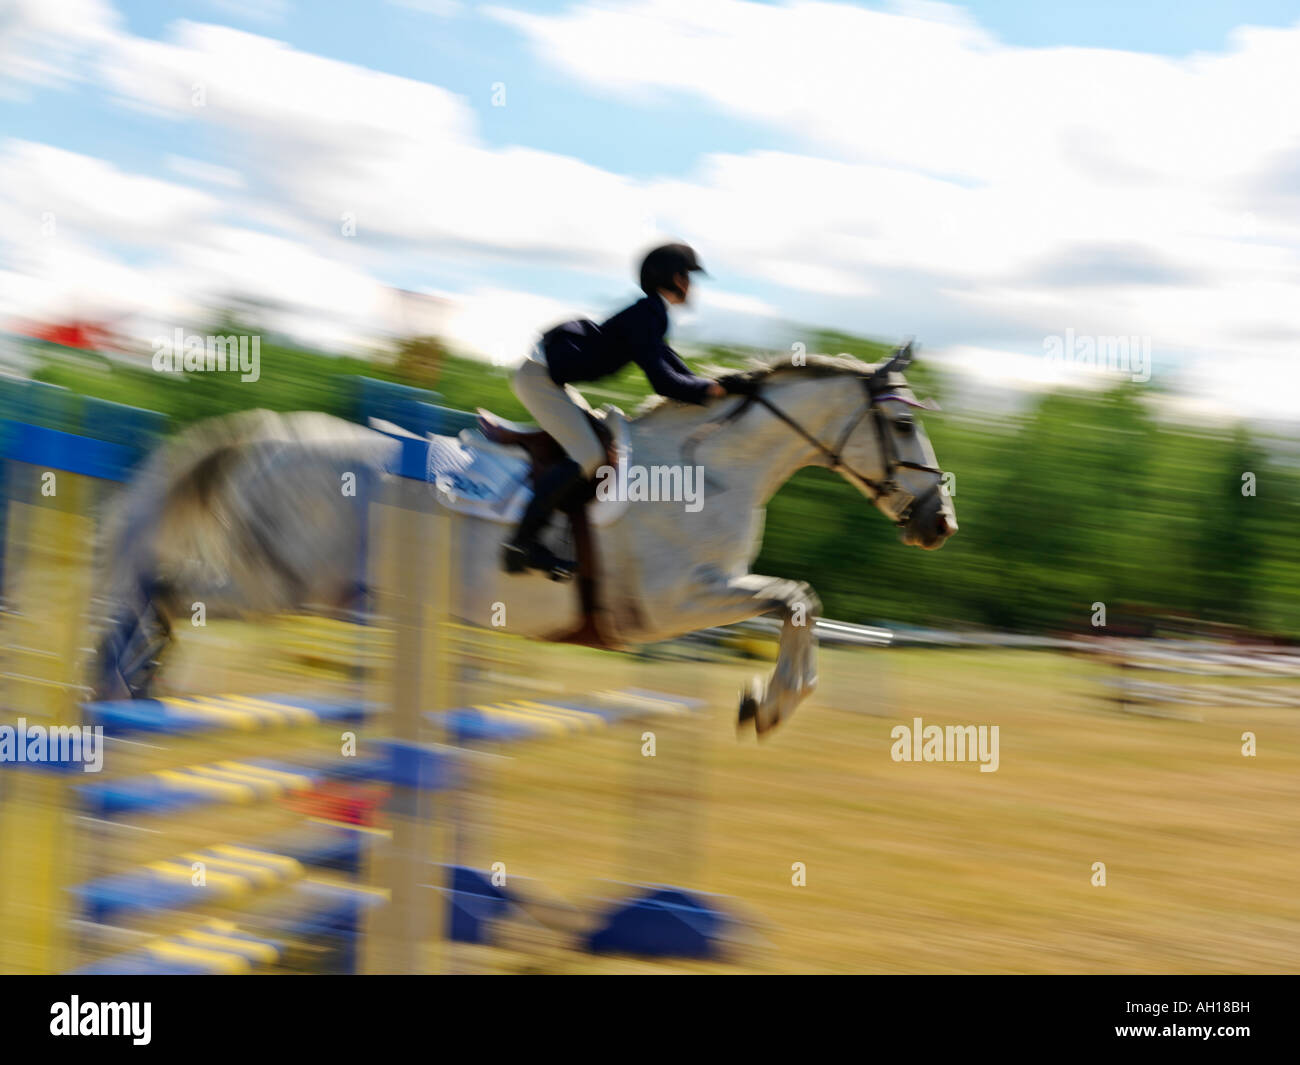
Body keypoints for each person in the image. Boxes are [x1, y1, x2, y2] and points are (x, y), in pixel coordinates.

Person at [504, 242, 726, 578]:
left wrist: (720, 386)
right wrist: (709, 390)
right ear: (676, 278)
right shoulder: (649, 314)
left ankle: (564, 530)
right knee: (591, 455)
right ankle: (523, 545)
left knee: (603, 443)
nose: (691, 286)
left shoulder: (650, 313)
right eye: (688, 277)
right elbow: (665, 382)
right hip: (538, 377)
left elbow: (674, 367)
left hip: (549, 378)